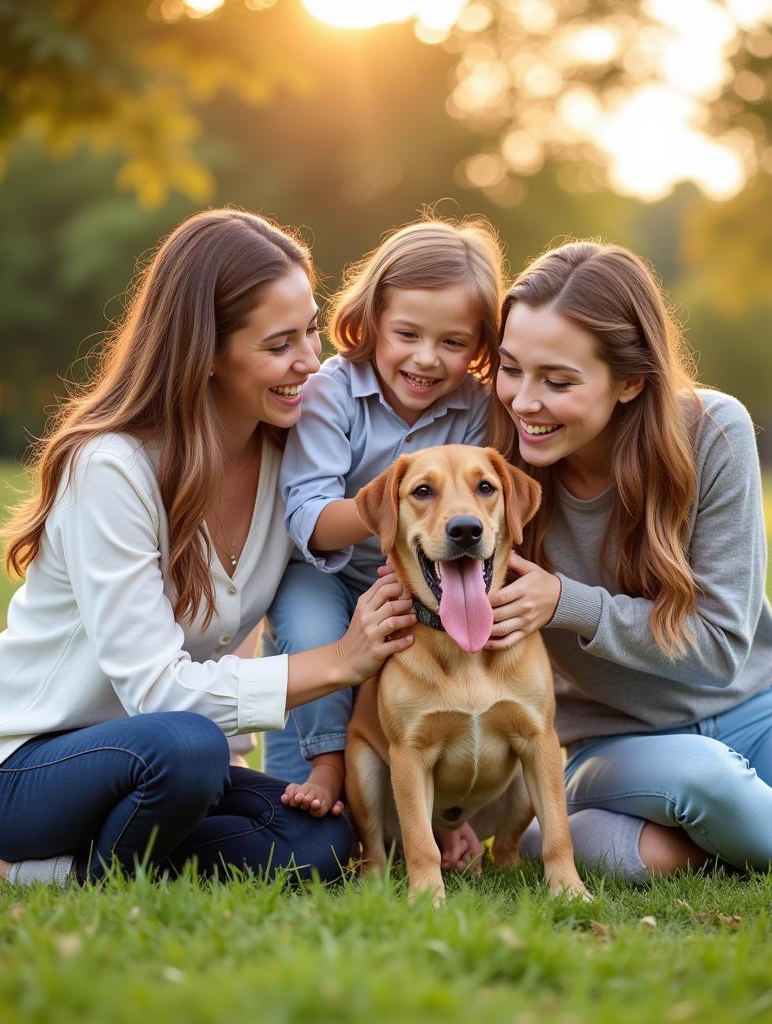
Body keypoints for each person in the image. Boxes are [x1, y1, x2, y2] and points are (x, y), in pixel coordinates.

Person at [0, 209, 417, 889]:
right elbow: (156, 691)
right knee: (185, 745)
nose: (310, 363)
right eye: (278, 345)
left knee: (320, 838)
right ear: (206, 351)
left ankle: (78, 871)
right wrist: (340, 661)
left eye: (310, 332)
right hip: (32, 772)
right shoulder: (112, 468)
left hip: (183, 765)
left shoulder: (289, 462)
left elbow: (237, 632)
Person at [485, 240, 772, 882]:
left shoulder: (714, 433)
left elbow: (721, 647)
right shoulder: (495, 469)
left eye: (557, 381)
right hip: (615, 745)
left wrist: (565, 600)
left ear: (631, 380)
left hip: (756, 711)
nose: (523, 401)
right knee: (700, 782)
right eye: (510, 369)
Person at [262, 219, 503, 872]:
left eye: (453, 342)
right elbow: (309, 519)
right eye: (408, 335)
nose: (427, 359)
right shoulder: (331, 392)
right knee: (313, 633)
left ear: (480, 344)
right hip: (329, 571)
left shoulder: (475, 408)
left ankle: (450, 815)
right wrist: (393, 507)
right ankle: (328, 766)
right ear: (371, 320)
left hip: (425, 578)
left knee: (451, 681)